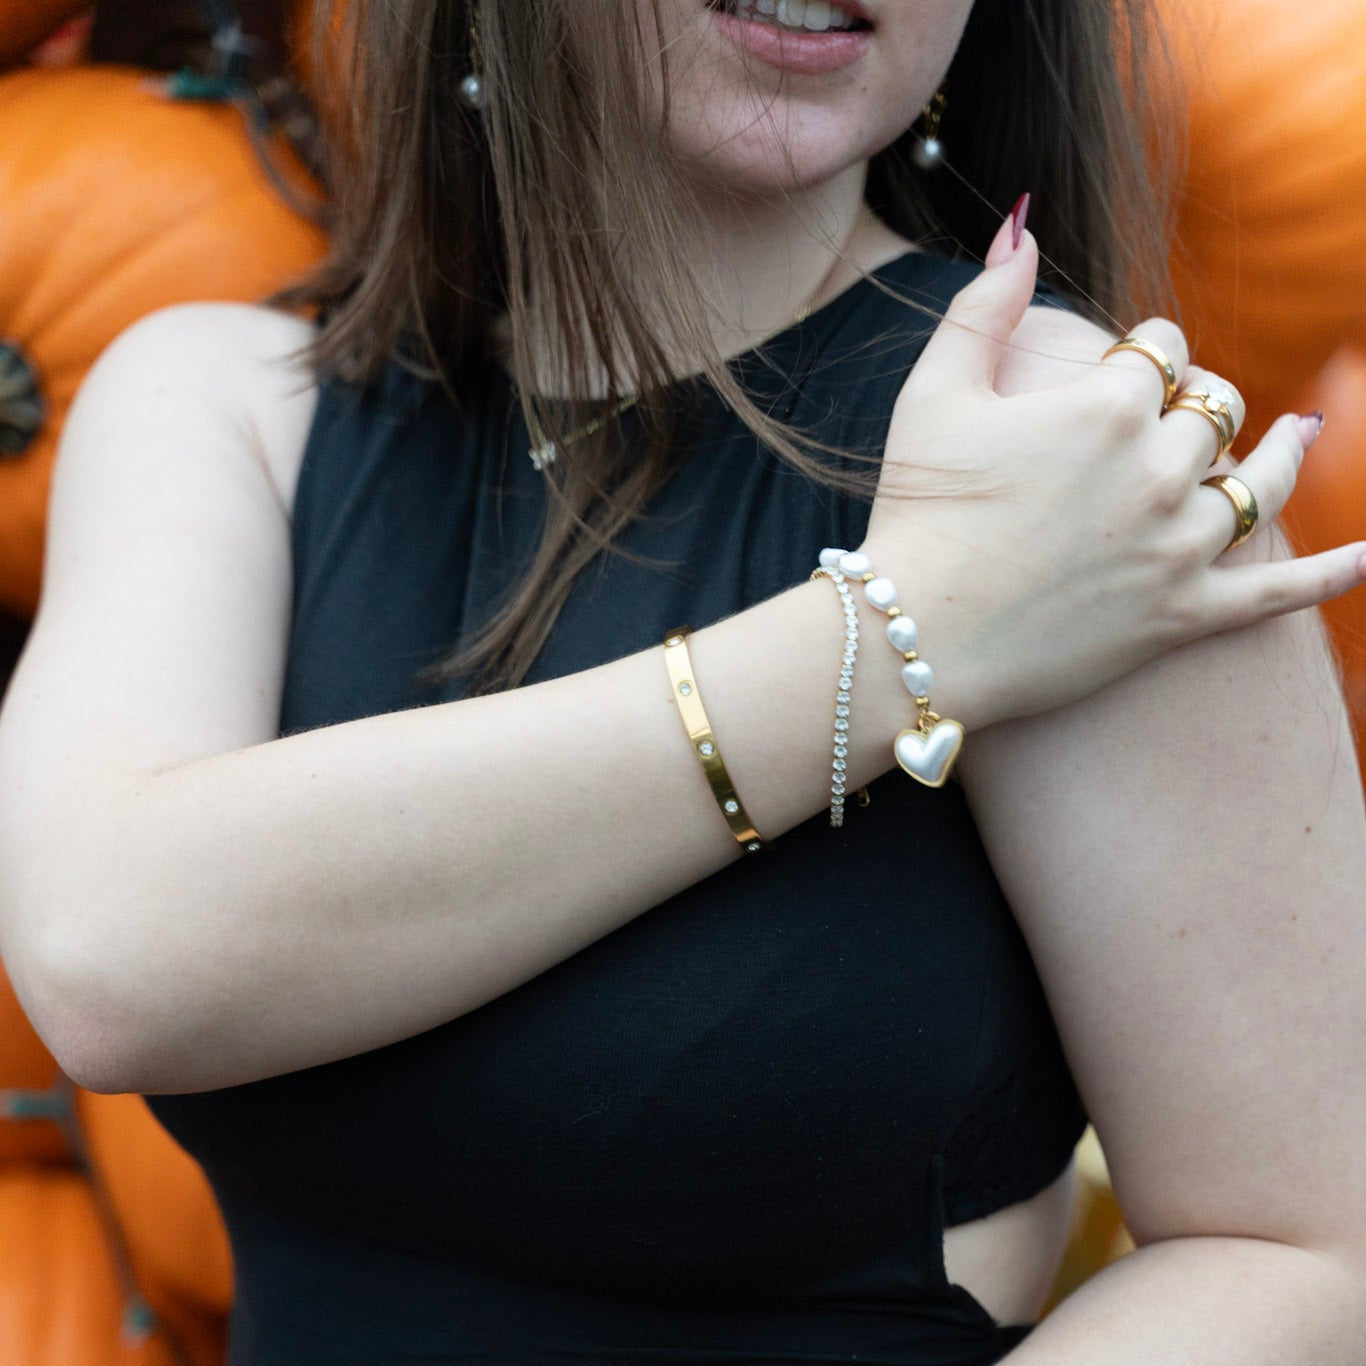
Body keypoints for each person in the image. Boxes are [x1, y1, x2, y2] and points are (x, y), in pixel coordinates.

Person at [1, 0, 1363, 1362]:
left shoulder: (1074, 459)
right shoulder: (227, 408)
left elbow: (1302, 1252)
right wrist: (900, 638)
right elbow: (111, 960)